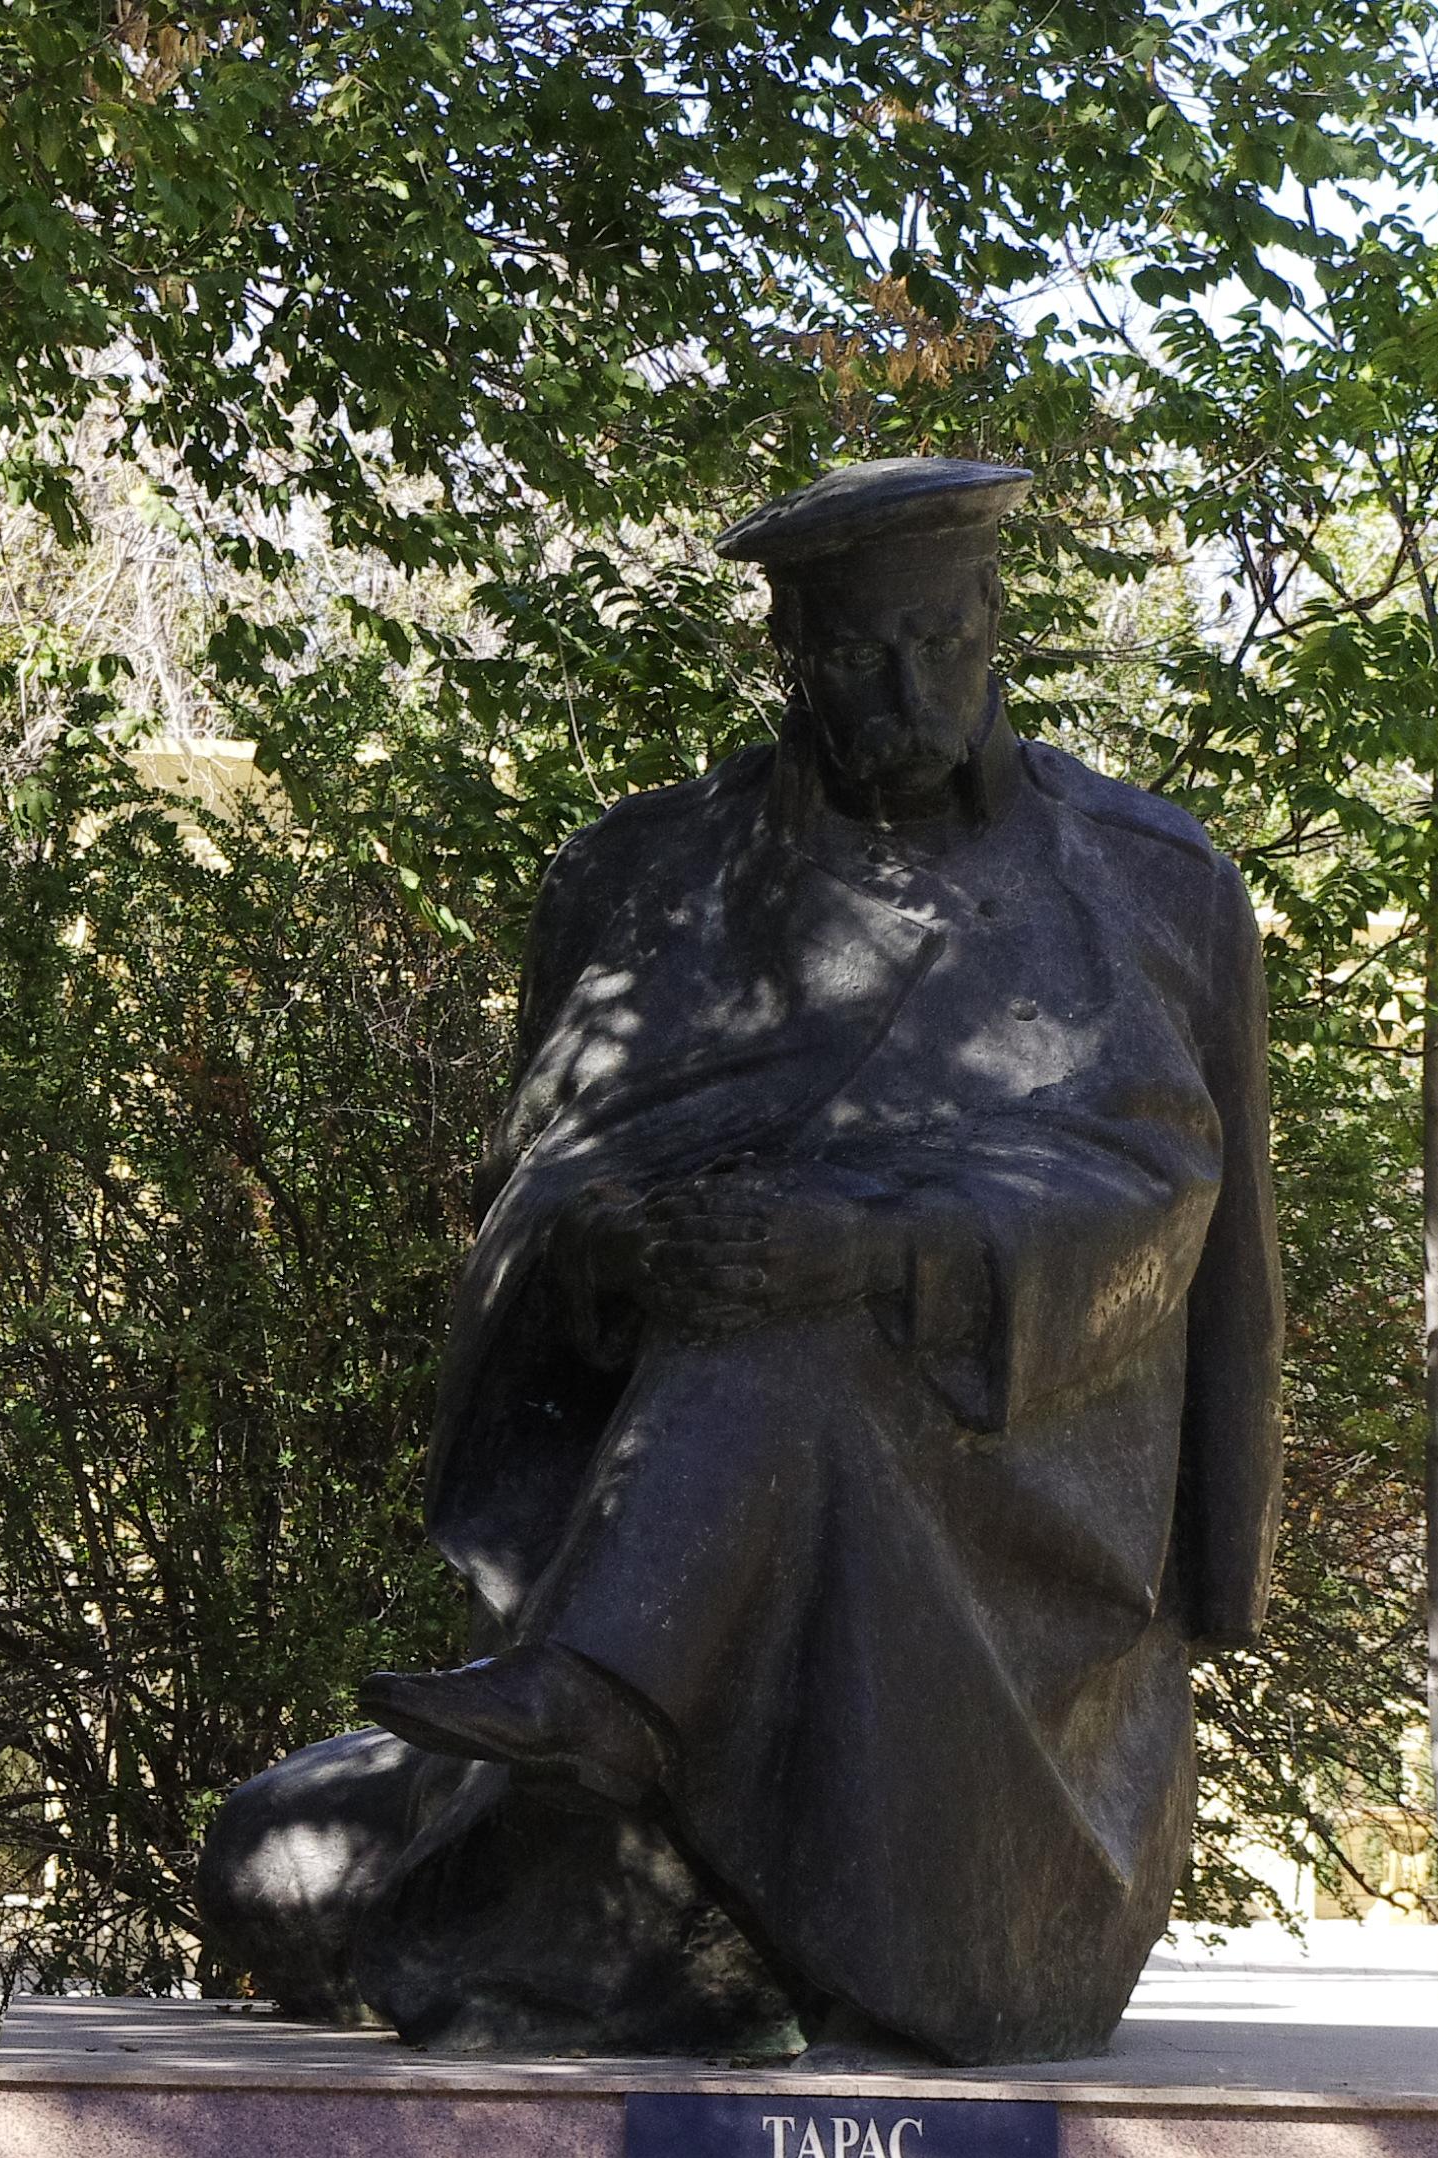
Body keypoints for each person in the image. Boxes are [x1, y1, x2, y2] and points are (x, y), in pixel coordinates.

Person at [199, 458, 1280, 2064]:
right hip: (693, 1537)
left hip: (999, 1587)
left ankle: (598, 1703)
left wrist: (878, 1251)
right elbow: (538, 1197)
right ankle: (616, 1743)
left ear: (996, 620)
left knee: (791, 1327)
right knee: (265, 1869)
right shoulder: (644, 880)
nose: (903, 693)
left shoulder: (1144, 879)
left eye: (939, 643)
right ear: (787, 650)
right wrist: (617, 1249)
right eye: (855, 653)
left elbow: (1174, 1213)